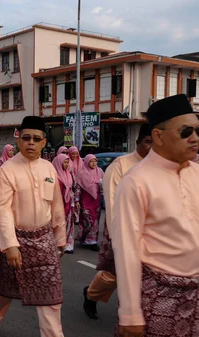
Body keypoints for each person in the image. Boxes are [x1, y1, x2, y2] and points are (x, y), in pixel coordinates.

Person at [111, 94, 199, 337]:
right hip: (156, 295)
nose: (195, 138)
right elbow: (127, 251)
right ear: (158, 136)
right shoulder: (136, 182)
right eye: (186, 132)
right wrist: (130, 313)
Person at [0, 116, 66, 337]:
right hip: (16, 241)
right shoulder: (6, 171)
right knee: (4, 292)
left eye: (36, 139)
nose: (31, 142)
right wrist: (10, 245)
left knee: (51, 297)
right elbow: (2, 210)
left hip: (44, 240)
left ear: (43, 142)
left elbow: (57, 205)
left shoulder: (49, 169)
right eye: (26, 138)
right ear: (19, 141)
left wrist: (60, 237)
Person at [82, 124, 152, 320]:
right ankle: (91, 294)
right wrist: (116, 237)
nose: (152, 148)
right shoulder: (121, 165)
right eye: (148, 142)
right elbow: (112, 203)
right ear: (137, 142)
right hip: (122, 229)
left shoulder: (161, 167)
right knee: (114, 274)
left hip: (151, 233)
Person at [53, 153, 79, 254]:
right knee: (58, 224)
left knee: (69, 224)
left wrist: (74, 200)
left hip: (68, 203)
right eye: (64, 162)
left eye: (68, 162)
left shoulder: (68, 174)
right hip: (58, 204)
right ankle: (57, 244)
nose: (66, 164)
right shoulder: (54, 176)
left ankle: (68, 244)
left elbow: (73, 188)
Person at [76, 154, 103, 251]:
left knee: (95, 221)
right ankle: (84, 238)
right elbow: (78, 188)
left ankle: (92, 241)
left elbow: (104, 184)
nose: (93, 163)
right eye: (91, 161)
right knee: (87, 220)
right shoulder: (81, 174)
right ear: (87, 162)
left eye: (95, 161)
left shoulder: (99, 171)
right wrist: (76, 200)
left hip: (96, 200)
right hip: (85, 201)